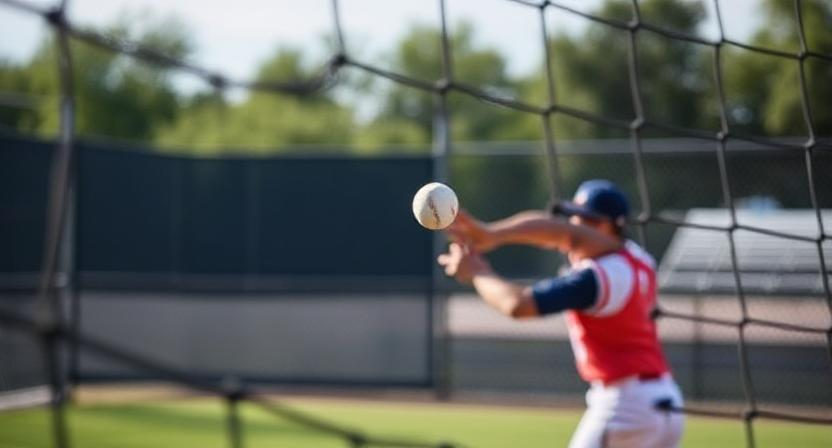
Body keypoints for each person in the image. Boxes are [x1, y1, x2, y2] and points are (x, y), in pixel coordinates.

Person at [438, 179, 684, 448]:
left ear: (609, 226)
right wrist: (492, 234)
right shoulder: (639, 259)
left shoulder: (597, 277)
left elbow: (519, 305)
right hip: (664, 401)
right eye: (573, 218)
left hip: (625, 407)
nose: (574, 225)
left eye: (586, 219)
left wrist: (477, 272)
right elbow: (564, 233)